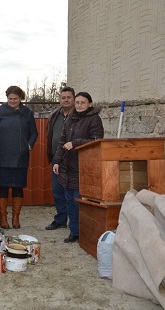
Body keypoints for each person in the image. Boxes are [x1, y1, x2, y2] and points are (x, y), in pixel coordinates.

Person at [53, 91, 104, 243]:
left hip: (84, 166)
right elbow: (62, 141)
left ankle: (85, 232)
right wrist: (57, 161)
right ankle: (74, 232)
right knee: (69, 201)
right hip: (68, 166)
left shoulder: (94, 119)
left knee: (79, 201)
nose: (79, 105)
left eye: (83, 102)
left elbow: (96, 140)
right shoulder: (71, 118)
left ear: (90, 104)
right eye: (78, 102)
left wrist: (76, 143)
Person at [0, 86, 38, 229]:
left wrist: (28, 146)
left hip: (20, 157)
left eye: (15, 99)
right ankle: (3, 219)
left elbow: (34, 133)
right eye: (10, 98)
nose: (12, 101)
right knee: (3, 187)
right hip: (2, 156)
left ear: (21, 98)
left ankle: (16, 219)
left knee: (18, 188)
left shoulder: (27, 112)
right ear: (7, 98)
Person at [45, 86, 76, 231]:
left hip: (73, 160)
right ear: (60, 100)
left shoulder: (79, 115)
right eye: (63, 97)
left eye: (69, 97)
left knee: (71, 192)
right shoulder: (54, 115)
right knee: (57, 191)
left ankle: (74, 222)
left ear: (74, 99)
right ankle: (61, 219)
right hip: (56, 160)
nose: (66, 100)